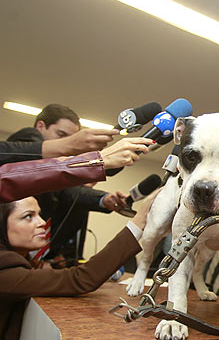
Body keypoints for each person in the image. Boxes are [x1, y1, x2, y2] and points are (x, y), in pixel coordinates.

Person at [0, 136, 154, 340]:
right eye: (28, 217)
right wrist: (140, 221)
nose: (41, 223)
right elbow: (80, 279)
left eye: (38, 214)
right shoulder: (5, 273)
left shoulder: (19, 261)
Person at [6, 104, 128, 265]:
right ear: (40, 126)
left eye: (72, 138)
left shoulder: (54, 181)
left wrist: (104, 199)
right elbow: (42, 167)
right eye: (61, 135)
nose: (70, 143)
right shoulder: (26, 139)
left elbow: (67, 192)